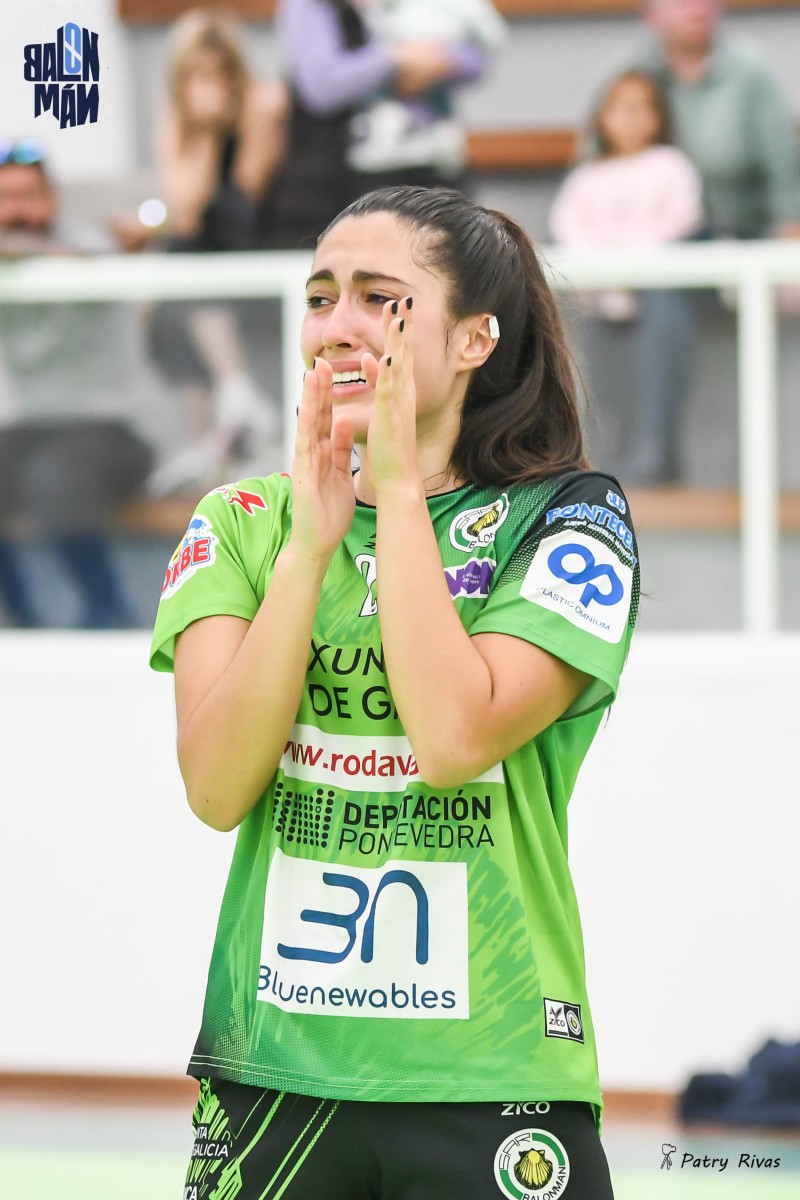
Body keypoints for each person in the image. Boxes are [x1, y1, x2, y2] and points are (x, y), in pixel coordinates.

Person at [150, 185, 640, 1199]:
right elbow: (216, 786)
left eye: (380, 299)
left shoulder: (569, 520)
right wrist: (310, 549)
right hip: (276, 1069)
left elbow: (454, 736)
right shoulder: (240, 521)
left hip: (493, 1073)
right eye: (319, 296)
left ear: (473, 340)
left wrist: (400, 487)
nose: (339, 325)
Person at [0, 143, 157, 629]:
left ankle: (107, 611)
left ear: (53, 200)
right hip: (31, 429)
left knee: (55, 478)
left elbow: (94, 254)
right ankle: (20, 620)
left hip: (112, 431)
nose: (17, 211)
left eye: (28, 196)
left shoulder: (86, 243)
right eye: (5, 198)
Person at [147, 8, 289, 496]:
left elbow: (242, 203)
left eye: (217, 72)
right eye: (194, 75)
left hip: (256, 248)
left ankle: (234, 403)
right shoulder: (177, 124)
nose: (207, 86)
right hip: (198, 258)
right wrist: (205, 134)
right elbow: (185, 213)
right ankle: (219, 417)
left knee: (187, 262)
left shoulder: (261, 106)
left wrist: (228, 124)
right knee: (178, 265)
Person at [551, 70, 703, 483]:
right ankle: (586, 458)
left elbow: (682, 217)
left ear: (660, 117)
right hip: (596, 298)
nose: (631, 118)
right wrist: (604, 277)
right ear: (602, 117)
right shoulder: (587, 175)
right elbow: (568, 225)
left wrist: (630, 266)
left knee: (655, 375)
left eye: (642, 108)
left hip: (656, 295)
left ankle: (653, 453)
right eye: (621, 108)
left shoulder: (671, 165)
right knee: (595, 379)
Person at [269, 0, 498, 249]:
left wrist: (438, 61)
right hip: (346, 176)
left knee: (447, 256)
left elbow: (478, 53)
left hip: (435, 163)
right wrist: (396, 58)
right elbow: (321, 88)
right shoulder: (312, 6)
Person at [624, 0, 800, 241]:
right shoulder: (635, 73)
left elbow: (782, 161)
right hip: (655, 241)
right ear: (652, 16)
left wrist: (791, 224)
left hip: (746, 234)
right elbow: (601, 155)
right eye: (683, 4)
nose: (698, 10)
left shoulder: (749, 69)